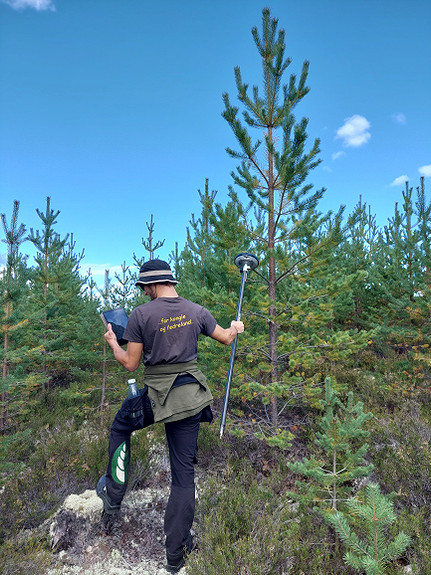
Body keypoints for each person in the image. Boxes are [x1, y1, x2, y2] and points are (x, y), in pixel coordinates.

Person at [97, 259, 244, 573]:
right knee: (183, 478)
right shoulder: (197, 310)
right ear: (171, 281)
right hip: (191, 398)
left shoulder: (141, 315)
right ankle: (176, 556)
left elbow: (130, 364)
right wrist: (236, 327)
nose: (145, 292)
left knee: (120, 426)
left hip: (156, 397)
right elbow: (227, 338)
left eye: (144, 287)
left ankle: (113, 493)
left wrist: (113, 342)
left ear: (151, 285)